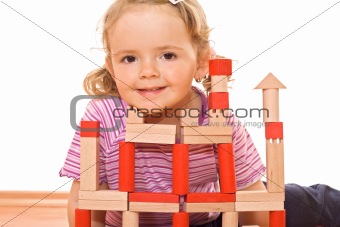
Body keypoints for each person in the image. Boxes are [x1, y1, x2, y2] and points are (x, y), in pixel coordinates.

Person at [59, 0, 340, 226]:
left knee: (297, 200)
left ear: (201, 61)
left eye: (167, 55)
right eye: (129, 58)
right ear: (111, 66)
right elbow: (83, 200)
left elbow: (249, 195)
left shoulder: (219, 119)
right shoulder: (102, 115)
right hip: (128, 221)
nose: (147, 71)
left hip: (205, 218)